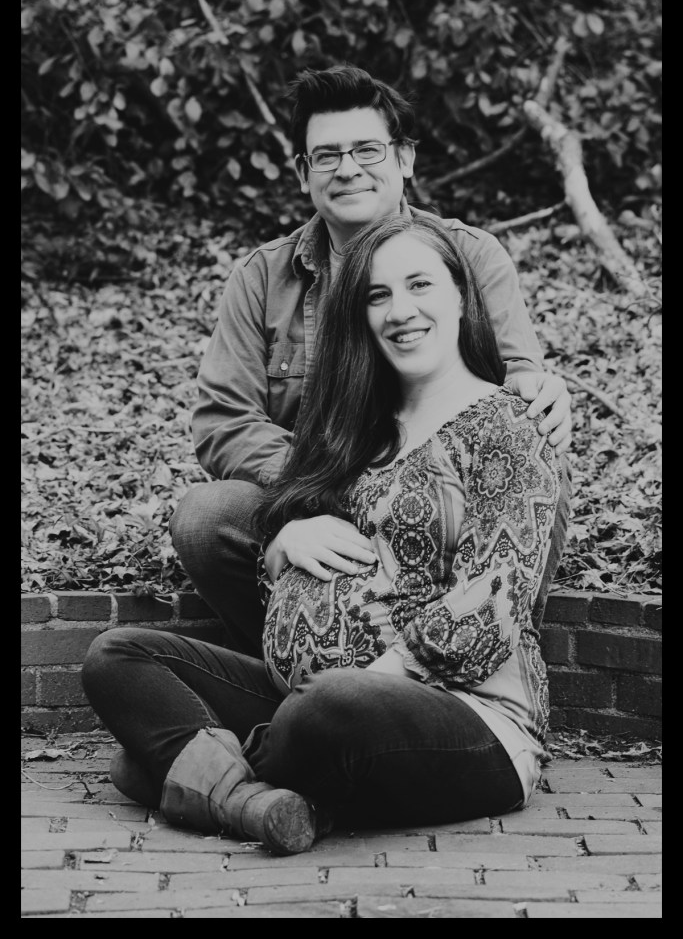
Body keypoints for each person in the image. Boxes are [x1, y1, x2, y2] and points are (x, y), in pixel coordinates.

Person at [82, 212, 564, 856]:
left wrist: (375, 676)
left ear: (459, 295)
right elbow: (287, 567)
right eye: (377, 295)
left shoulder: (507, 425)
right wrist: (283, 544)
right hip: (312, 708)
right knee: (117, 657)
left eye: (420, 285)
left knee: (320, 708)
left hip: (466, 717)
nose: (400, 310)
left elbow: (495, 601)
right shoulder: (356, 429)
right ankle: (256, 801)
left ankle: (197, 773)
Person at [168, 65, 572, 659]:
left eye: (366, 149)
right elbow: (224, 420)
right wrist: (322, 494)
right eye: (327, 156)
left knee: (540, 464)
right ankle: (284, 669)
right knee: (206, 517)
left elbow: (518, 381)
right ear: (303, 173)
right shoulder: (262, 279)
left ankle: (478, 663)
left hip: (439, 501)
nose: (348, 168)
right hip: (314, 497)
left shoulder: (471, 256)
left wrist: (537, 388)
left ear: (404, 158)